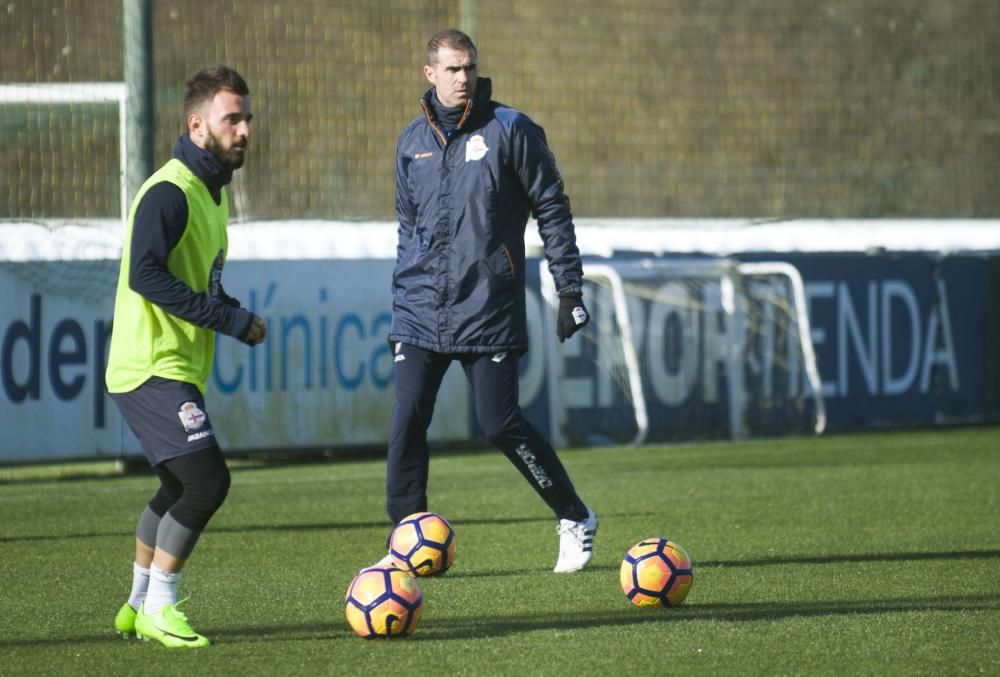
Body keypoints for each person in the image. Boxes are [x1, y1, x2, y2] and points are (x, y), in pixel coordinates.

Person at [384, 29, 596, 573]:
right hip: (419, 312)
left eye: (469, 68)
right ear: (429, 74)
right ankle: (405, 542)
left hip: (487, 308)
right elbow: (408, 226)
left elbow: (552, 207)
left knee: (501, 425)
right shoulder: (412, 140)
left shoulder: (511, 130)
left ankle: (574, 516)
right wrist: (404, 293)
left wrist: (568, 288)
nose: (463, 78)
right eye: (452, 70)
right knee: (406, 420)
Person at [106, 64, 265, 648]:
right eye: (232, 119)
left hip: (167, 366)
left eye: (247, 117)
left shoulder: (212, 192)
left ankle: (135, 604)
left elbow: (198, 280)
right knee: (207, 483)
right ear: (198, 125)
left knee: (177, 489)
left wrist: (234, 315)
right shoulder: (171, 191)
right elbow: (145, 275)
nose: (244, 129)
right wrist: (226, 317)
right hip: (149, 366)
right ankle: (161, 606)